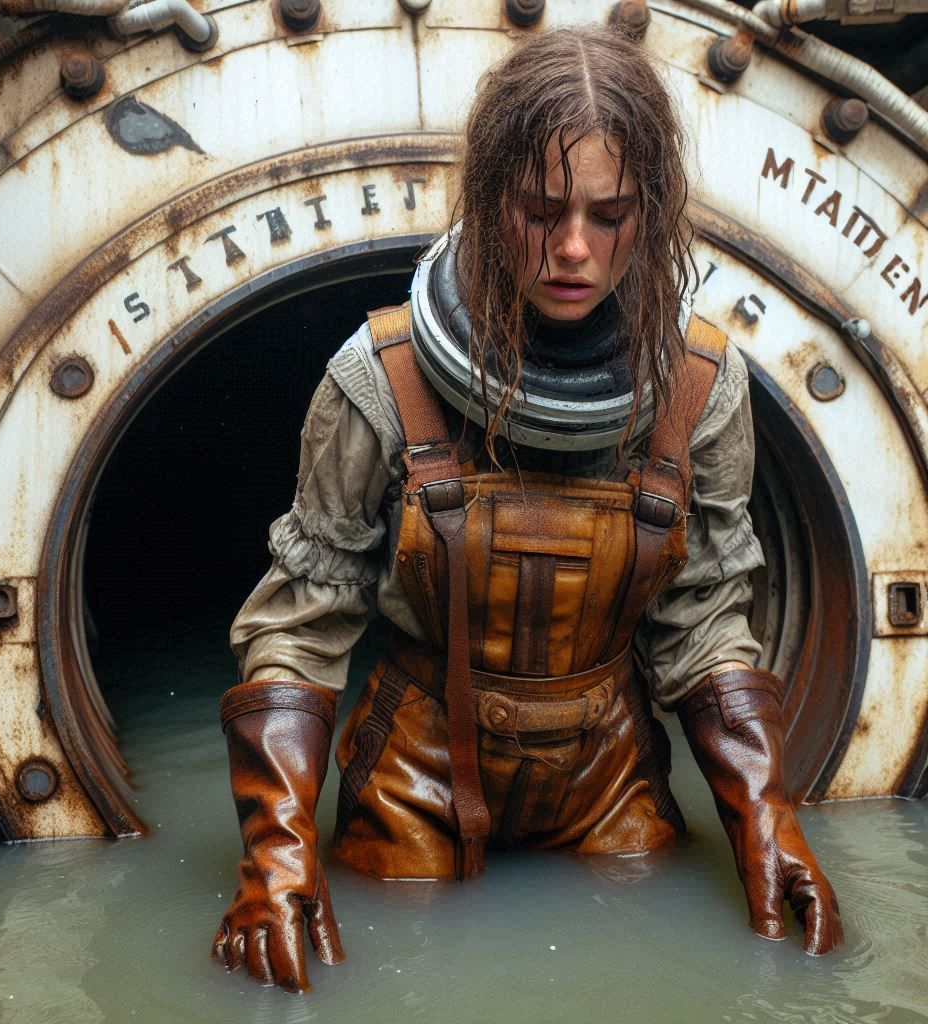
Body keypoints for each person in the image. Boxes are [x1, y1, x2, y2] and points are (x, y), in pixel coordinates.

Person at [210, 26, 844, 993]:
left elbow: (705, 615)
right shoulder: (380, 379)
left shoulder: (699, 388)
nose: (574, 248)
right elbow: (303, 622)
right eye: (541, 211)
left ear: (651, 213)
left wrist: (769, 820)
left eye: (610, 214)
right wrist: (277, 850)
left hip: (611, 778)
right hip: (413, 774)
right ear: (489, 198)